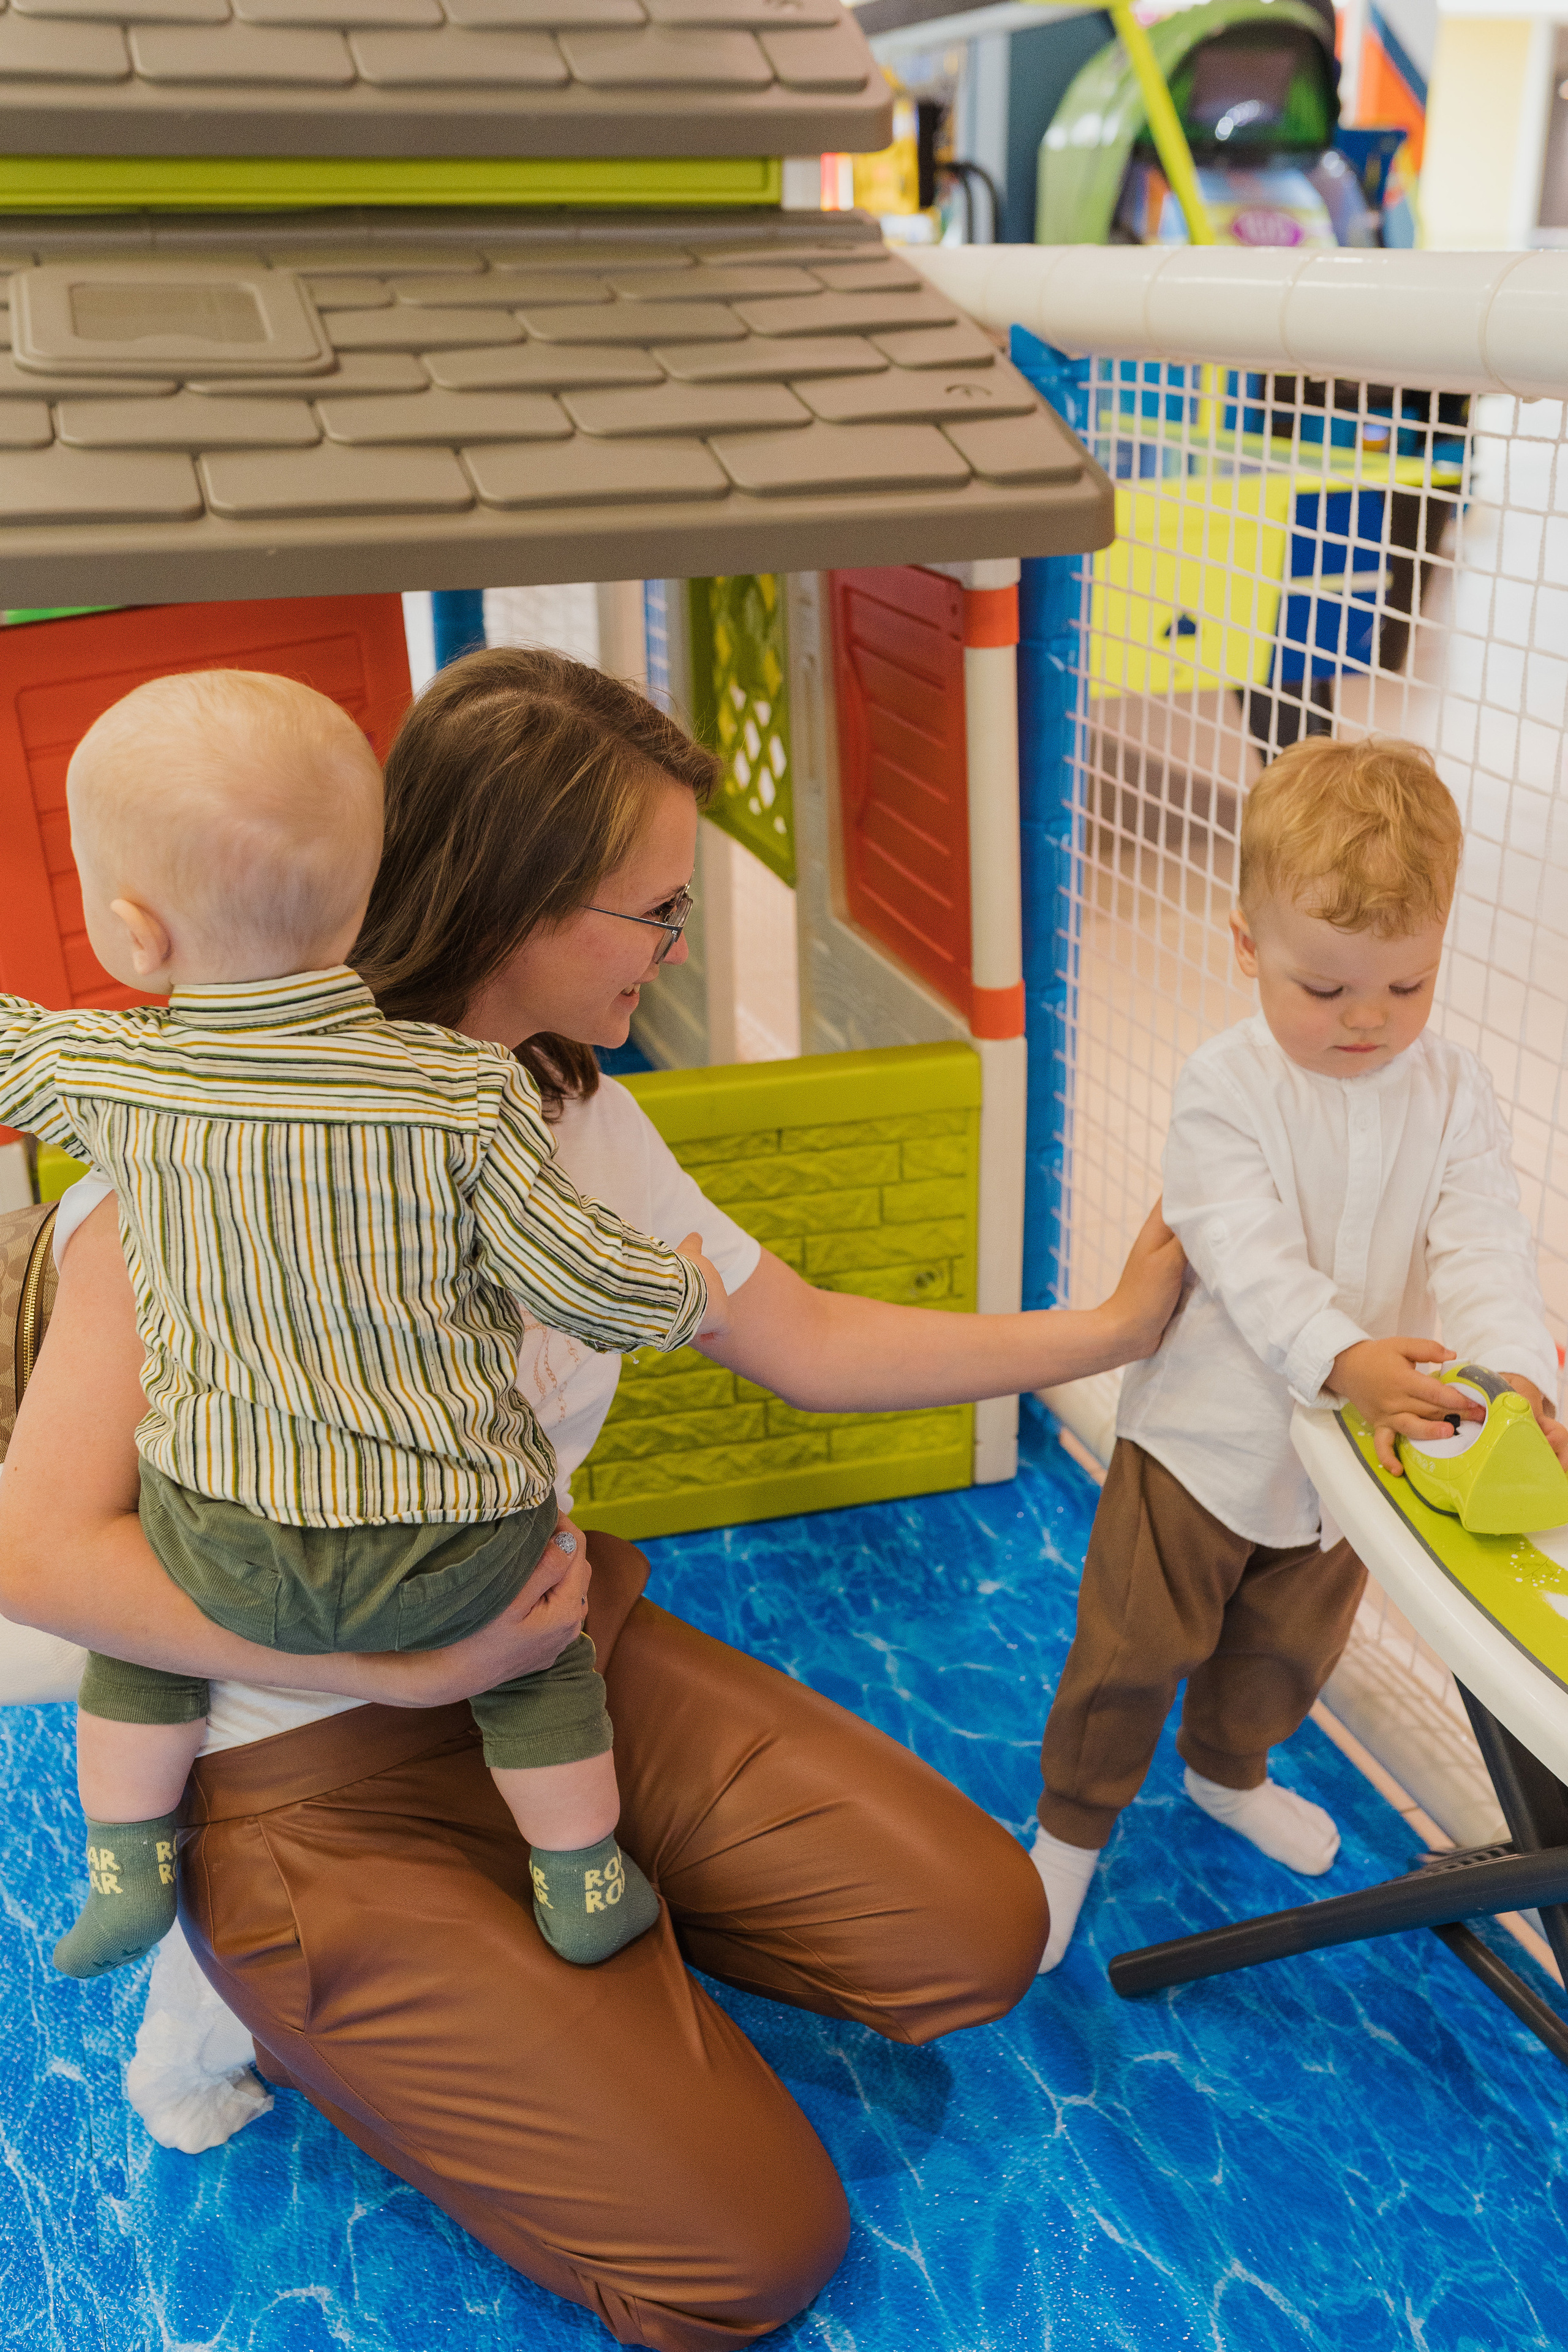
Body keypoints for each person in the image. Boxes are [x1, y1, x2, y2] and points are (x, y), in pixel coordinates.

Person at [0, 646, 1184, 2351]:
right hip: (304, 1763)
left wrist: (1106, 1333)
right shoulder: (196, 1168)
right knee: (749, 2256)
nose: (675, 951)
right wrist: (393, 1677)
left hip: (554, 1668)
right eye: (656, 911)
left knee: (977, 1934)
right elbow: (40, 1552)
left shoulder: (567, 1111)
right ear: (514, 904)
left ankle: (563, 1931)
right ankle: (278, 1983)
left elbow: (801, 1336)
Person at [5, 666, 730, 1981]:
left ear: (132, 933)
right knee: (540, 1666)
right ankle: (576, 1872)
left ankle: (125, 1860)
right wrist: (681, 1289)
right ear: (362, 892)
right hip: (452, 1559)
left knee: (137, 1658)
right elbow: (583, 1281)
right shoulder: (463, 1093)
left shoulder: (120, 1080)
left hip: (226, 1548)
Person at [1031, 734, 1568, 1973]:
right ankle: (1070, 1829)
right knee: (1130, 1646)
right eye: (1322, 990)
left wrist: (1503, 1376)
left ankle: (1228, 1769)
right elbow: (1242, 1251)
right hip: (1204, 1444)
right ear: (1244, 948)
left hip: (1351, 1464)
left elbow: (1480, 1233)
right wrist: (1343, 1357)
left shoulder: (1450, 1089)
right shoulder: (1222, 1088)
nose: (1365, 1022)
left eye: (1406, 987)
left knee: (1284, 1648)